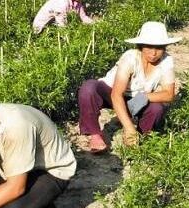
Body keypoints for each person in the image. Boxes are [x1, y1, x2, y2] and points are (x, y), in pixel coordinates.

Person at [78, 21, 181, 153]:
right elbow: (116, 94)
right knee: (89, 88)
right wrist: (128, 127)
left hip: (137, 99)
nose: (154, 53)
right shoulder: (131, 58)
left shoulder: (166, 61)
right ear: (141, 46)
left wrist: (143, 97)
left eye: (159, 48)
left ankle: (142, 137)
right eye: (149, 47)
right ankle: (95, 135)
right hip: (110, 93)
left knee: (157, 108)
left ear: (165, 47)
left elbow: (169, 94)